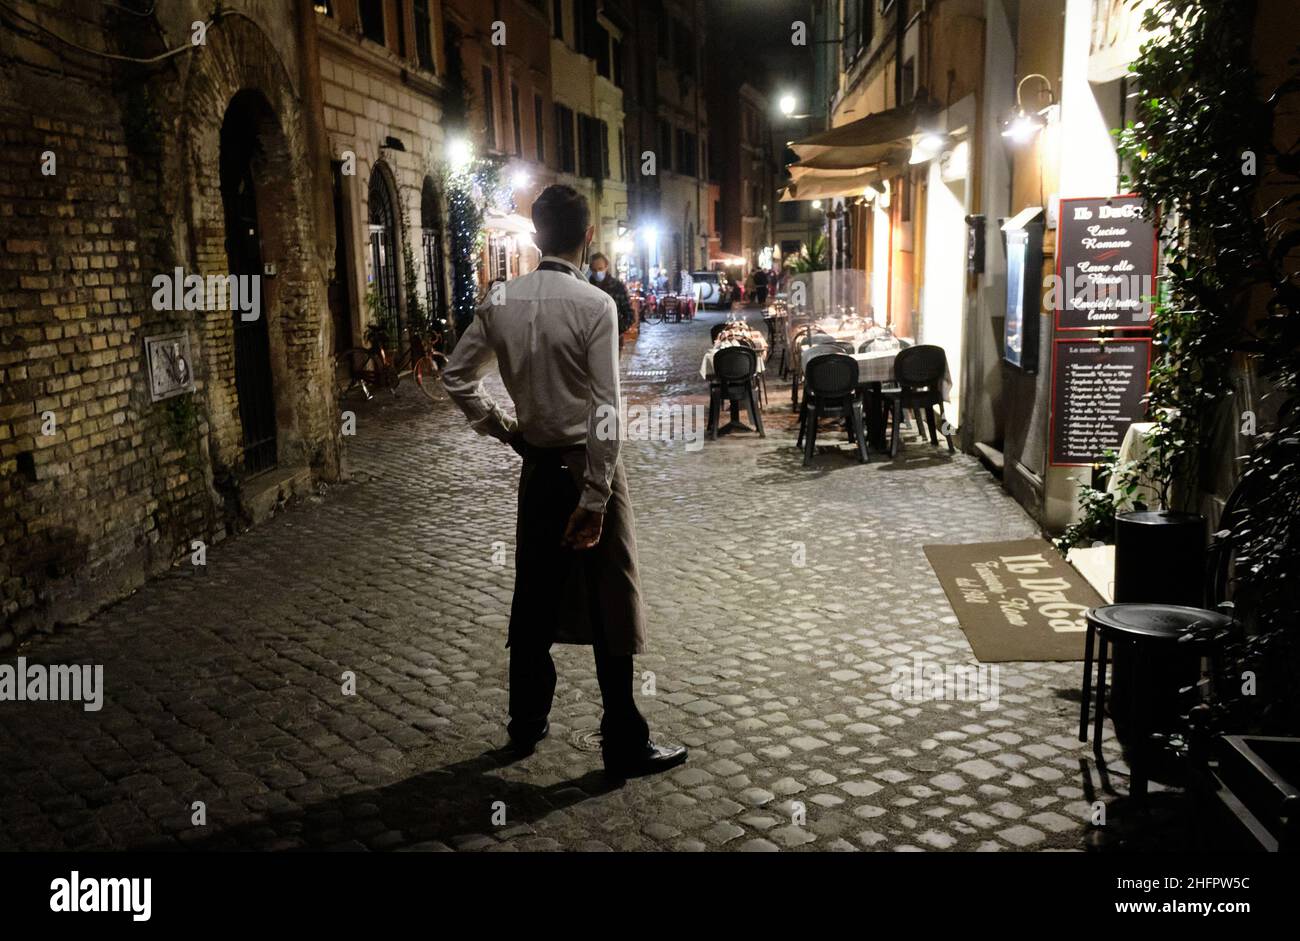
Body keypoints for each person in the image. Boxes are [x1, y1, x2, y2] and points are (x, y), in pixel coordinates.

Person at [442, 184, 688, 779]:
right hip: (586, 466)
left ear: (535, 236)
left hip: (538, 467)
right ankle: (622, 741)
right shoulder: (594, 305)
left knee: (533, 597)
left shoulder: (502, 300)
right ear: (587, 238)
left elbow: (455, 376)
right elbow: (606, 410)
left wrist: (506, 430)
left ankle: (525, 724)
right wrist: (598, 496)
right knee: (611, 602)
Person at [588, 252, 634, 350]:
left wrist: (617, 330)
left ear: (606, 267)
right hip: (592, 341)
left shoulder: (618, 286)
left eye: (600, 269)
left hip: (614, 340)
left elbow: (629, 314)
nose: (597, 273)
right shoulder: (586, 287)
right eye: (594, 270)